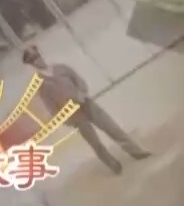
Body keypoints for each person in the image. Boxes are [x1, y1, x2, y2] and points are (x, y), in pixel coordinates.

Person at [23, 45, 152, 175]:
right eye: (33, 59)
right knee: (95, 143)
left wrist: (82, 93)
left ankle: (136, 151)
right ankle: (113, 164)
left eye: (37, 56)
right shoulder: (41, 84)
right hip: (74, 115)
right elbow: (50, 106)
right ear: (31, 64)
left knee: (112, 128)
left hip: (87, 104)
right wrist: (67, 120)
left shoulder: (61, 68)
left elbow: (79, 81)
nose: (38, 60)